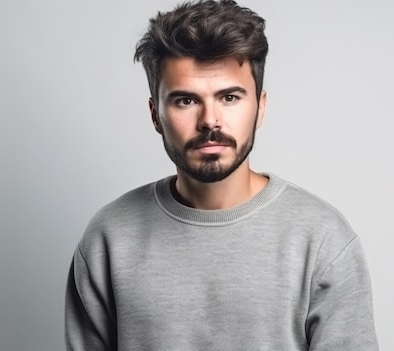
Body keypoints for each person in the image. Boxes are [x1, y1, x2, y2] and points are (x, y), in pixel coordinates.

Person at [65, 0, 378, 350]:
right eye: (186, 100)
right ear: (155, 115)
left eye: (229, 97)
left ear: (260, 107)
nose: (210, 120)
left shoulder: (322, 240)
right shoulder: (110, 238)